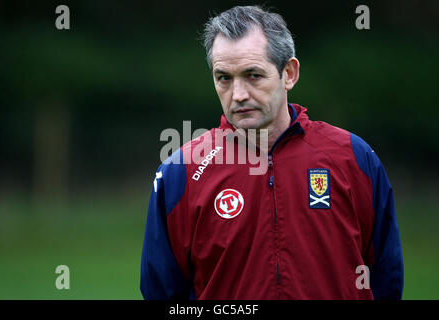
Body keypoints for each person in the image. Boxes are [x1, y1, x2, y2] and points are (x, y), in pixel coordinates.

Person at [140, 5, 403, 300]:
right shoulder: (181, 172)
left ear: (288, 74)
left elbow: (386, 277)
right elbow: (161, 292)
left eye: (253, 75)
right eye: (224, 77)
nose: (238, 94)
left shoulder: (354, 158)